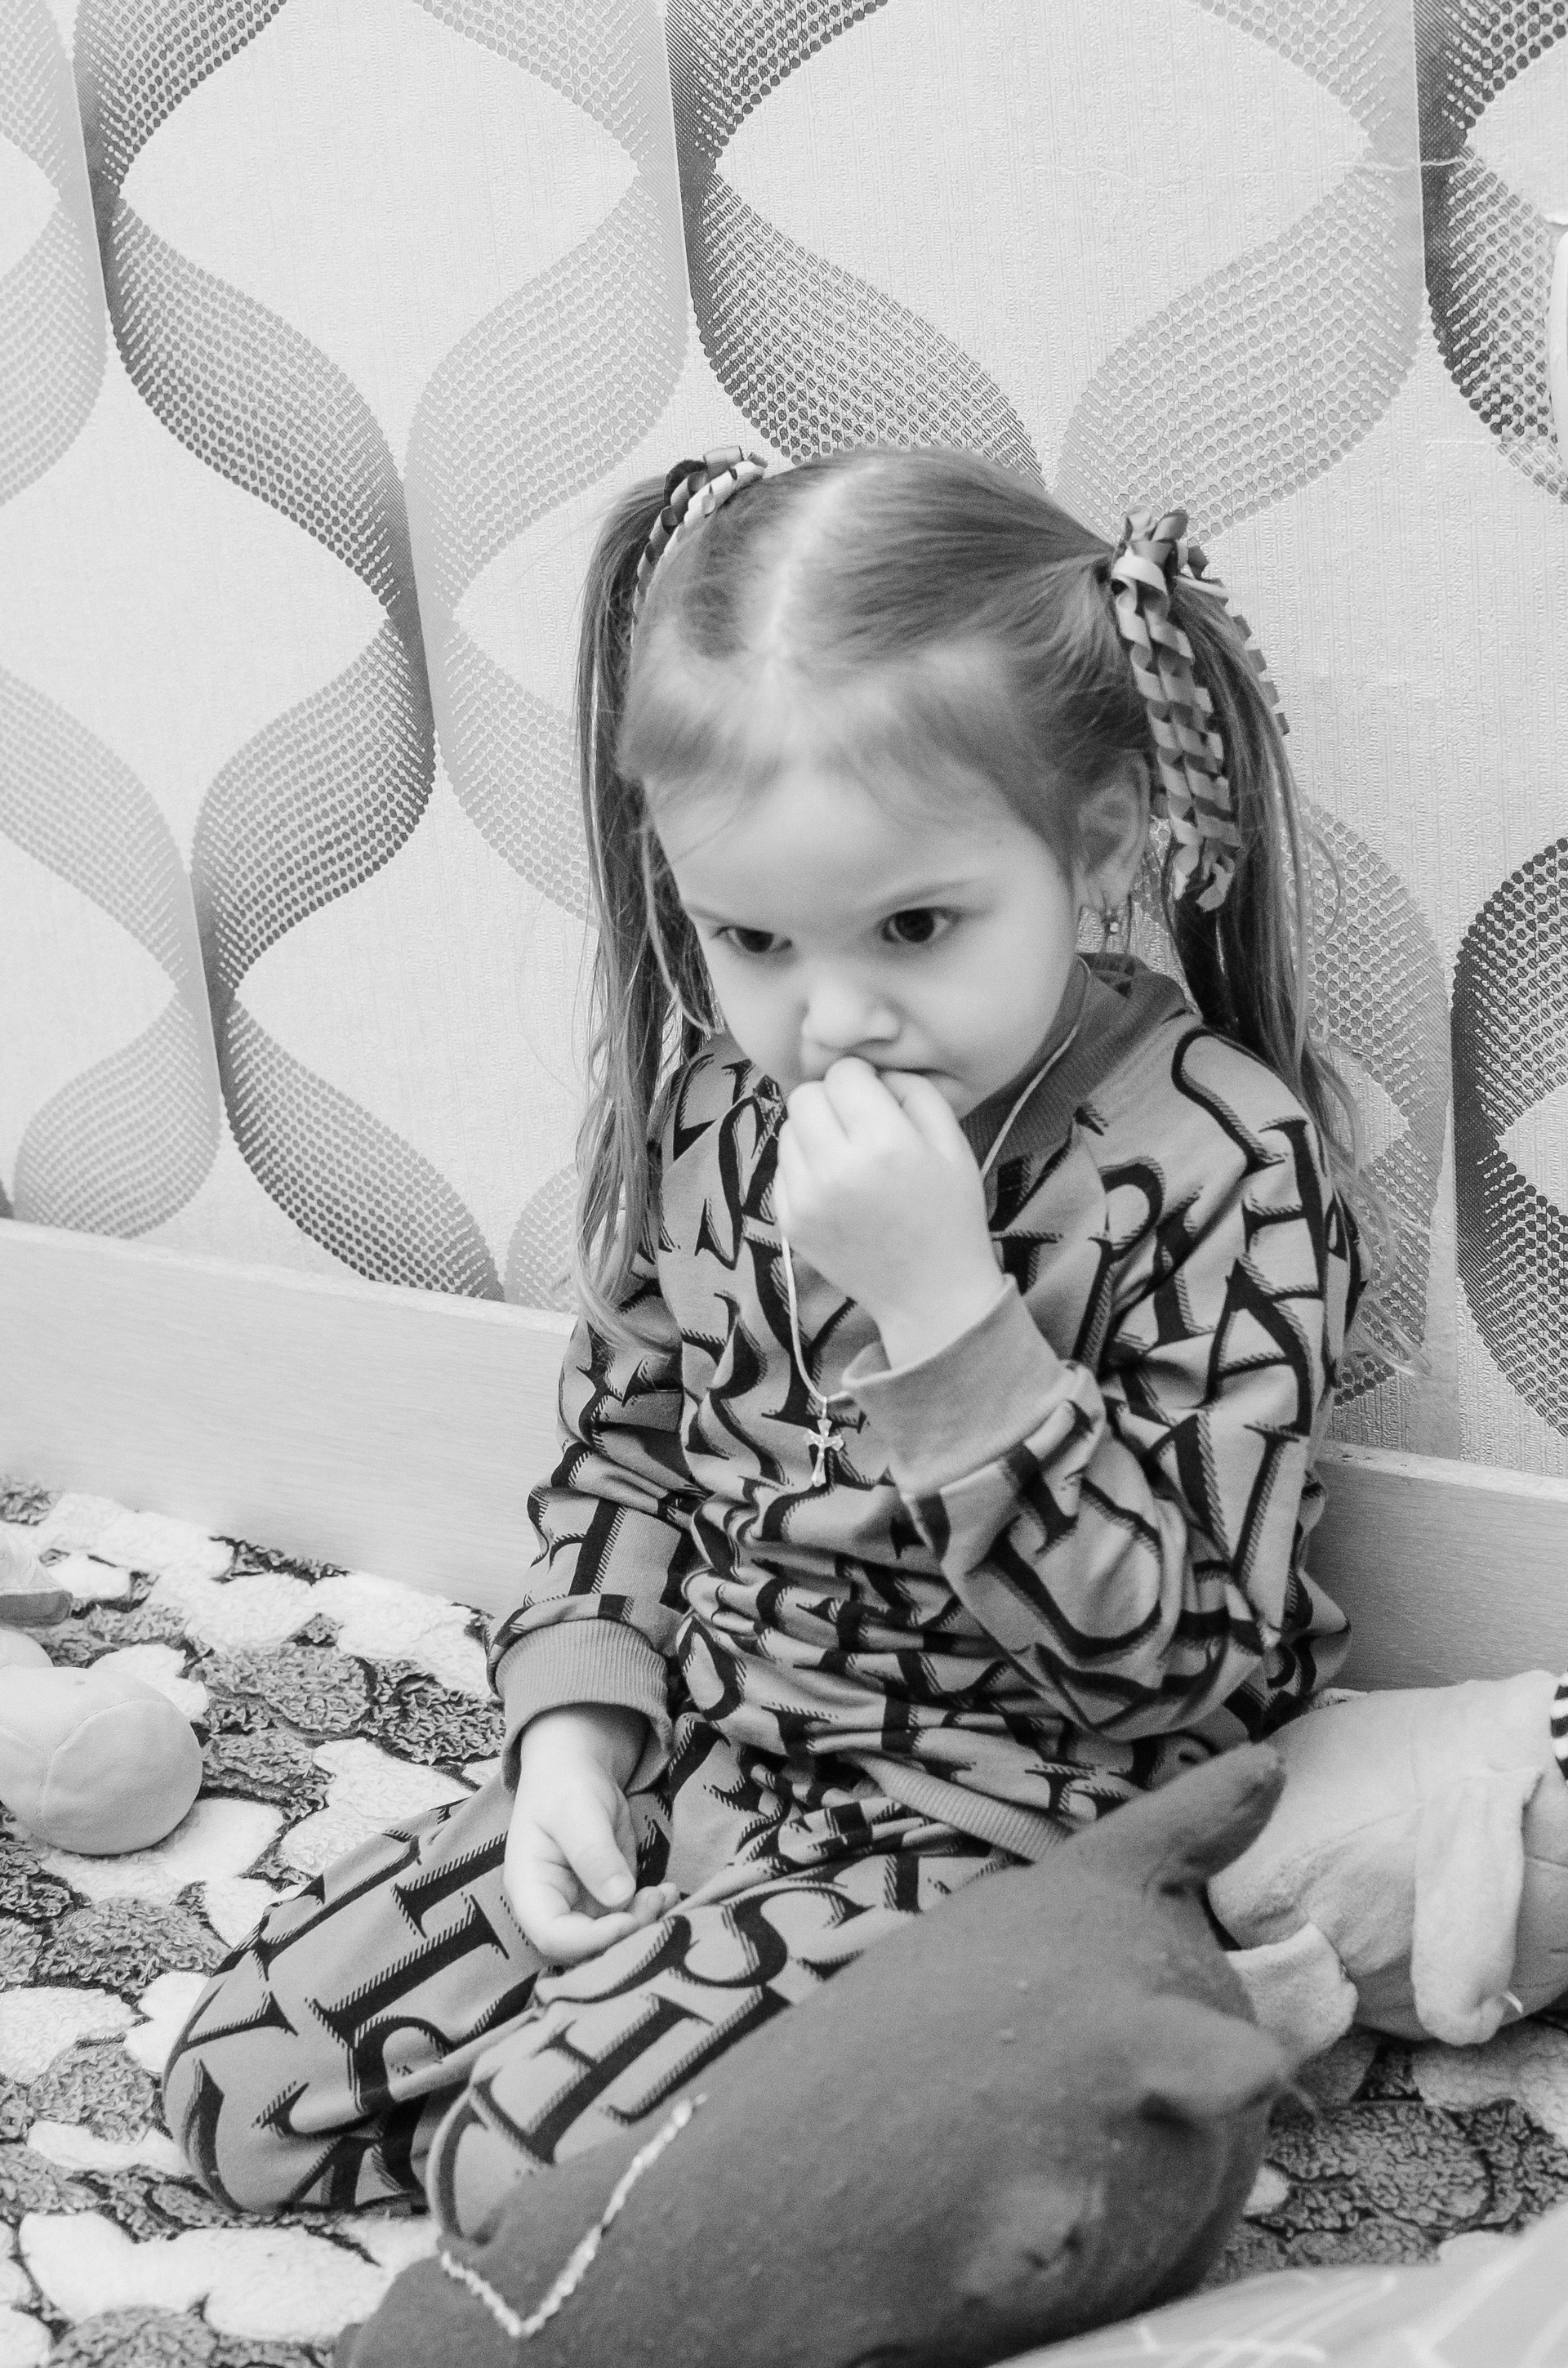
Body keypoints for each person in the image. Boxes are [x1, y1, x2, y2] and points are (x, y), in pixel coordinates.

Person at [164, 447, 1365, 2239]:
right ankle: (729, 2078)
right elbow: (628, 1455)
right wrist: (576, 1740)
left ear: (1100, 843)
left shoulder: (1220, 1159)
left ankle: (1089, 2049)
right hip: (717, 1756)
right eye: (753, 938)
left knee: (526, 2173)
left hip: (1010, 1821)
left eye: (916, 926)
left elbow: (1173, 1670)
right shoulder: (722, 1111)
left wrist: (949, 1313)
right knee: (238, 2098)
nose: (834, 1018)